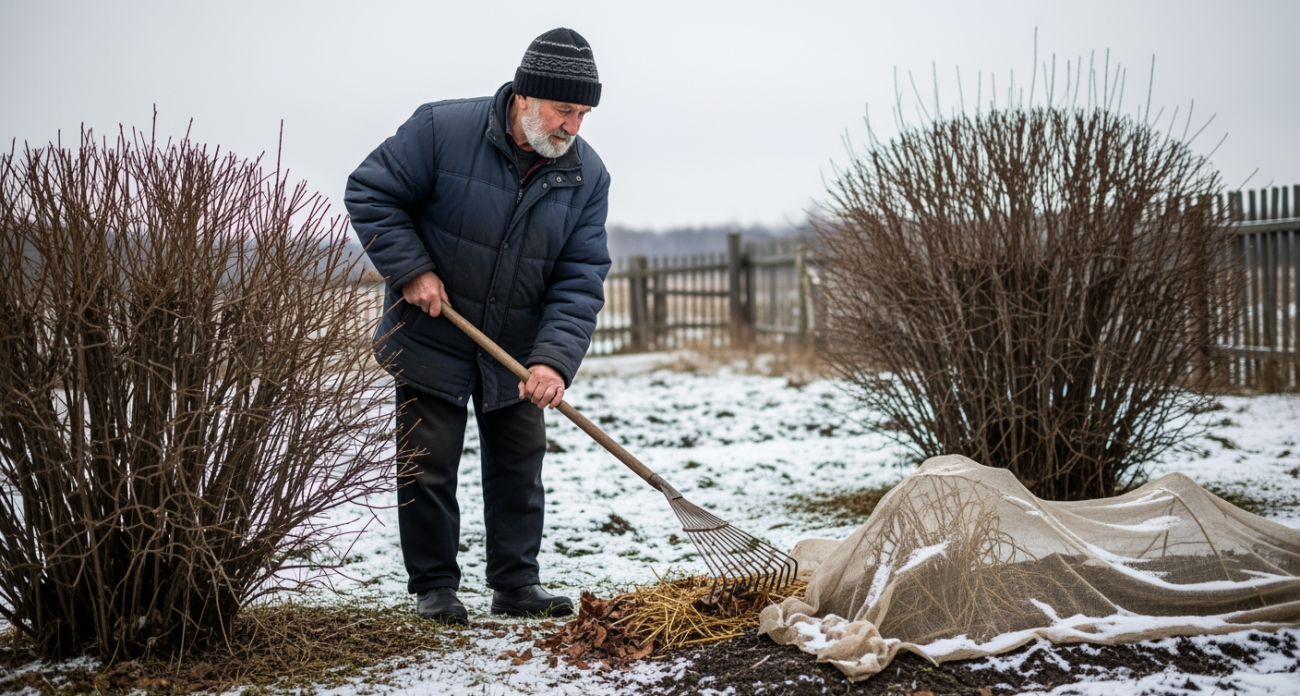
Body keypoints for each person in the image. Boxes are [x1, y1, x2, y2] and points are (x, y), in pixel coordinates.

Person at [344, 28, 610, 624]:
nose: (573, 126)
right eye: (564, 110)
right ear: (524, 97)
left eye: (583, 113)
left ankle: (516, 584)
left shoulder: (587, 177)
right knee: (429, 463)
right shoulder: (442, 131)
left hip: (518, 346)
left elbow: (581, 275)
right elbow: (369, 191)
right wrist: (411, 270)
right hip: (432, 331)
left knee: (520, 465)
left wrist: (552, 359)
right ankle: (434, 587)